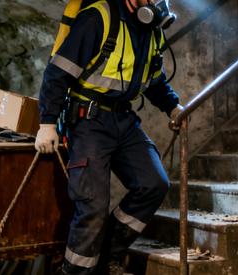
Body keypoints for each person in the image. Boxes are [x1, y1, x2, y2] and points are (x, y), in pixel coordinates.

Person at [35, 0, 184, 274]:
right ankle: (76, 272)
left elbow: (154, 80)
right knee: (92, 206)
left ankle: (107, 257)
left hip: (124, 120)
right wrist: (47, 123)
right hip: (88, 121)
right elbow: (57, 74)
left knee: (154, 183)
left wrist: (173, 107)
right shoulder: (98, 19)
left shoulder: (153, 30)